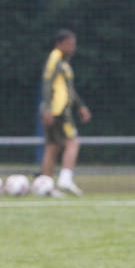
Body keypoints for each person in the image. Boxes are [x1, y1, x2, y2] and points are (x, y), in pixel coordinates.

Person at [39, 28, 91, 196]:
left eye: (73, 45)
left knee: (52, 147)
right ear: (59, 44)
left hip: (56, 109)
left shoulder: (64, 63)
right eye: (69, 44)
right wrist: (48, 107)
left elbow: (69, 90)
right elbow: (47, 82)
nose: (72, 48)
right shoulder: (55, 58)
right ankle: (65, 179)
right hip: (58, 110)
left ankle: (45, 187)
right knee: (73, 142)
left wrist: (80, 106)